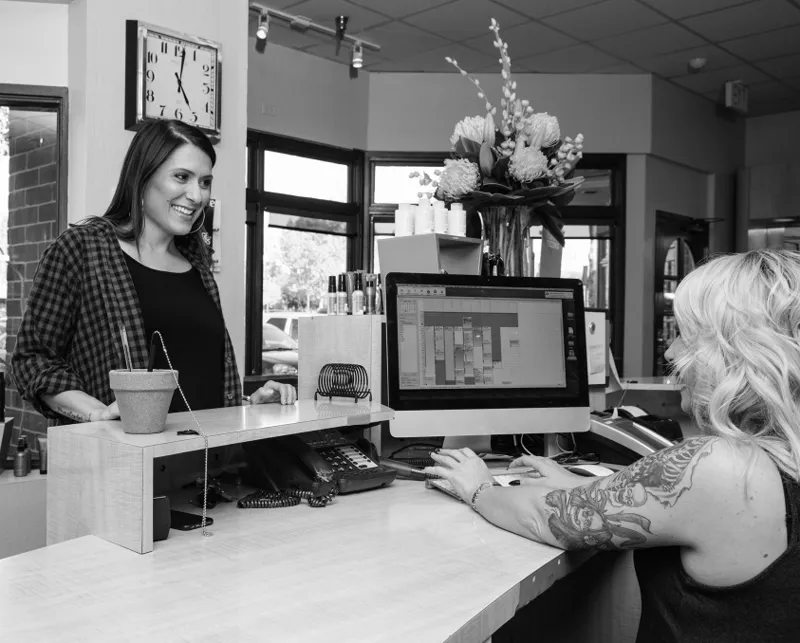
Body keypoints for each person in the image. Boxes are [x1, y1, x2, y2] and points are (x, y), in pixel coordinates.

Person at [426, 249, 800, 642]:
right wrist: (576, 484)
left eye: (687, 339)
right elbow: (673, 507)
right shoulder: (776, 462)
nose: (671, 355)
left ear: (739, 352)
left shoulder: (722, 467)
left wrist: (478, 487)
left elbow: (545, 519)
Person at [12, 119, 296, 425]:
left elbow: (196, 387)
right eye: (182, 176)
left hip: (209, 466)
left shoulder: (198, 267)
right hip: (123, 465)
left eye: (204, 182)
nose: (197, 195)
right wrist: (97, 412)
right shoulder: (82, 250)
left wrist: (249, 406)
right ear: (142, 177)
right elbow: (32, 361)